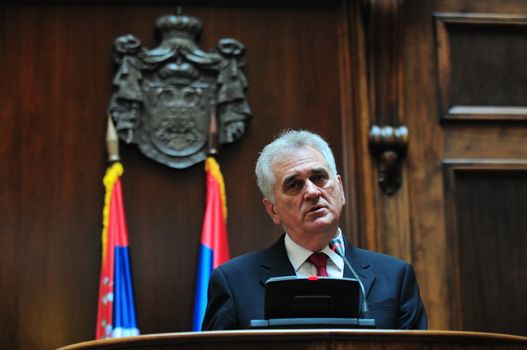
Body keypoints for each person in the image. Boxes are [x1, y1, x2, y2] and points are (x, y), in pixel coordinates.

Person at [201, 129, 427, 330]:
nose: (312, 192)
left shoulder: (396, 277)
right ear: (272, 210)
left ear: (340, 188)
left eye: (319, 178)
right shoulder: (234, 282)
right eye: (294, 184)